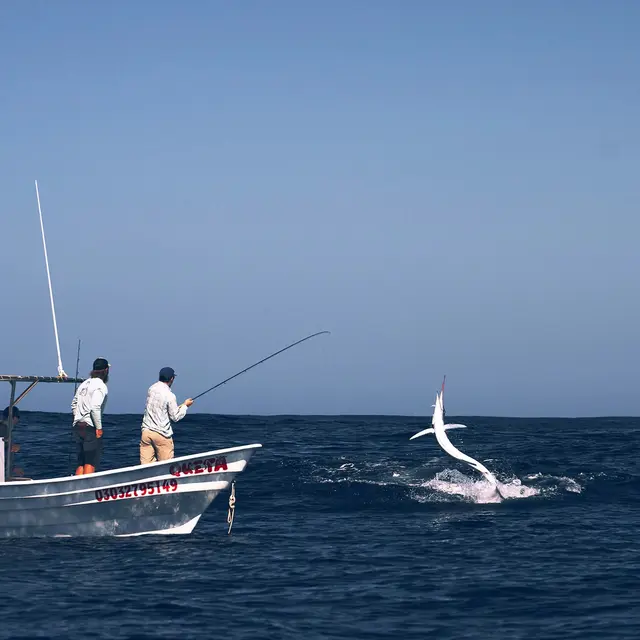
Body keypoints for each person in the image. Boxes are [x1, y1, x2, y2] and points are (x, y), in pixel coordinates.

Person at [140, 367, 193, 464]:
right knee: (165, 467)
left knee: (145, 468)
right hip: (162, 435)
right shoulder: (170, 395)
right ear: (172, 379)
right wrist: (185, 406)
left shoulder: (151, 389)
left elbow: (160, 408)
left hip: (146, 433)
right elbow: (175, 417)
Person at [71, 357, 110, 475]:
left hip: (78, 426)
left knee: (81, 461)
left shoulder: (83, 384)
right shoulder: (101, 386)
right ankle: (87, 490)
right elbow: (95, 407)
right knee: (90, 462)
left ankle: (77, 489)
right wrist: (98, 427)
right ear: (106, 370)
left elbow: (74, 404)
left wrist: (78, 417)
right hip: (90, 427)